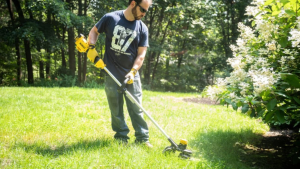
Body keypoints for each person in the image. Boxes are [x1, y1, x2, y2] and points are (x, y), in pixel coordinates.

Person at [87, 0, 153, 147]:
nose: (144, 14)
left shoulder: (142, 28)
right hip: (111, 72)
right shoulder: (111, 18)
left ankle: (143, 139)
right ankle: (121, 137)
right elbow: (94, 31)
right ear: (133, 3)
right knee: (115, 108)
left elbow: (141, 55)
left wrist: (133, 72)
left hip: (131, 75)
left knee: (136, 108)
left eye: (146, 11)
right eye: (142, 9)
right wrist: (91, 47)